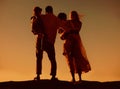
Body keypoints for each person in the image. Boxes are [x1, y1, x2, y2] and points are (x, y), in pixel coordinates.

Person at [58, 11, 91, 83]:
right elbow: (61, 32)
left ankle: (78, 78)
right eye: (71, 15)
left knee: (77, 60)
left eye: (73, 15)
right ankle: (74, 78)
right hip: (68, 42)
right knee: (70, 60)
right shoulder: (67, 22)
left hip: (75, 42)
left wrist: (67, 31)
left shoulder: (78, 23)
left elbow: (76, 30)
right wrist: (65, 32)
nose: (71, 16)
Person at [34, 5, 59, 80]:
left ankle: (38, 75)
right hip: (50, 41)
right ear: (52, 10)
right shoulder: (56, 19)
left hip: (40, 39)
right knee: (52, 59)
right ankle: (53, 76)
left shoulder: (42, 17)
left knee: (39, 58)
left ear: (46, 11)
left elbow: (34, 23)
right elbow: (63, 26)